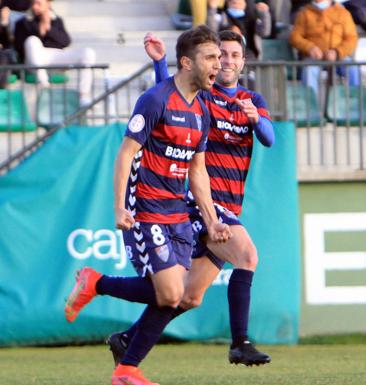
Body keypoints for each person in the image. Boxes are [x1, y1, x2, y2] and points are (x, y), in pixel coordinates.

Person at [64, 25, 231, 385]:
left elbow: (197, 171)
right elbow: (125, 155)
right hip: (146, 210)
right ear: (186, 62)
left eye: (220, 57)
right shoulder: (155, 100)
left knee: (183, 297)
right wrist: (118, 207)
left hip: (178, 215)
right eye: (211, 57)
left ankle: (125, 365)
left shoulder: (201, 109)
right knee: (171, 293)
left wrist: (211, 219)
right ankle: (99, 288)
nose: (219, 64)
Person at [105, 29, 275, 368]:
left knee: (189, 295)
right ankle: (240, 342)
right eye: (218, 55)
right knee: (247, 255)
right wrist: (158, 64)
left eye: (232, 55)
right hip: (203, 203)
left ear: (242, 62)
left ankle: (128, 339)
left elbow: (270, 138)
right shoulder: (204, 96)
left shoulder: (252, 100)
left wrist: (256, 120)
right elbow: (171, 95)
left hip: (226, 206)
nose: (224, 61)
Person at [13, 0, 96, 105]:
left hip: (53, 57)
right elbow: (19, 48)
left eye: (38, 4)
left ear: (48, 4)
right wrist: (38, 31)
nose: (35, 7)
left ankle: (83, 95)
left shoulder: (56, 20)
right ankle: (44, 86)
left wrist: (49, 29)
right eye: (33, 3)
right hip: (34, 60)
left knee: (88, 53)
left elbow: (65, 42)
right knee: (32, 41)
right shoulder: (22, 22)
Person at [289, 0, 359, 96]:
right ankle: (311, 108)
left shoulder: (343, 13)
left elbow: (352, 39)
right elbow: (295, 37)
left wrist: (337, 52)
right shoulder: (305, 13)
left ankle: (355, 105)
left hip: (339, 58)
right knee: (309, 71)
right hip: (314, 59)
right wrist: (310, 48)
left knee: (352, 69)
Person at [206, 0, 272, 60]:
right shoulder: (222, 17)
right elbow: (211, 30)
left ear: (245, 5)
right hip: (225, 53)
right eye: (234, 3)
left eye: (239, 3)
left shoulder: (251, 19)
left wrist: (264, 14)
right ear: (228, 3)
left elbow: (265, 32)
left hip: (248, 54)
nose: (236, 6)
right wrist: (212, 8)